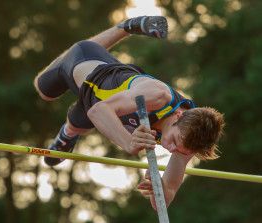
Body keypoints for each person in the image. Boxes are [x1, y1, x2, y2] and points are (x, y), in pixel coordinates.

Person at [34, 16, 225, 209]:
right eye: (173, 141)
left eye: (179, 150)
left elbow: (164, 200)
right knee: (45, 91)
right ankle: (126, 27)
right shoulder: (158, 95)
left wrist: (160, 189)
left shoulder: (188, 141)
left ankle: (68, 133)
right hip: (84, 64)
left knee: (79, 125)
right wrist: (128, 142)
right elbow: (99, 111)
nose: (170, 149)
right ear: (178, 116)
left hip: (104, 98)